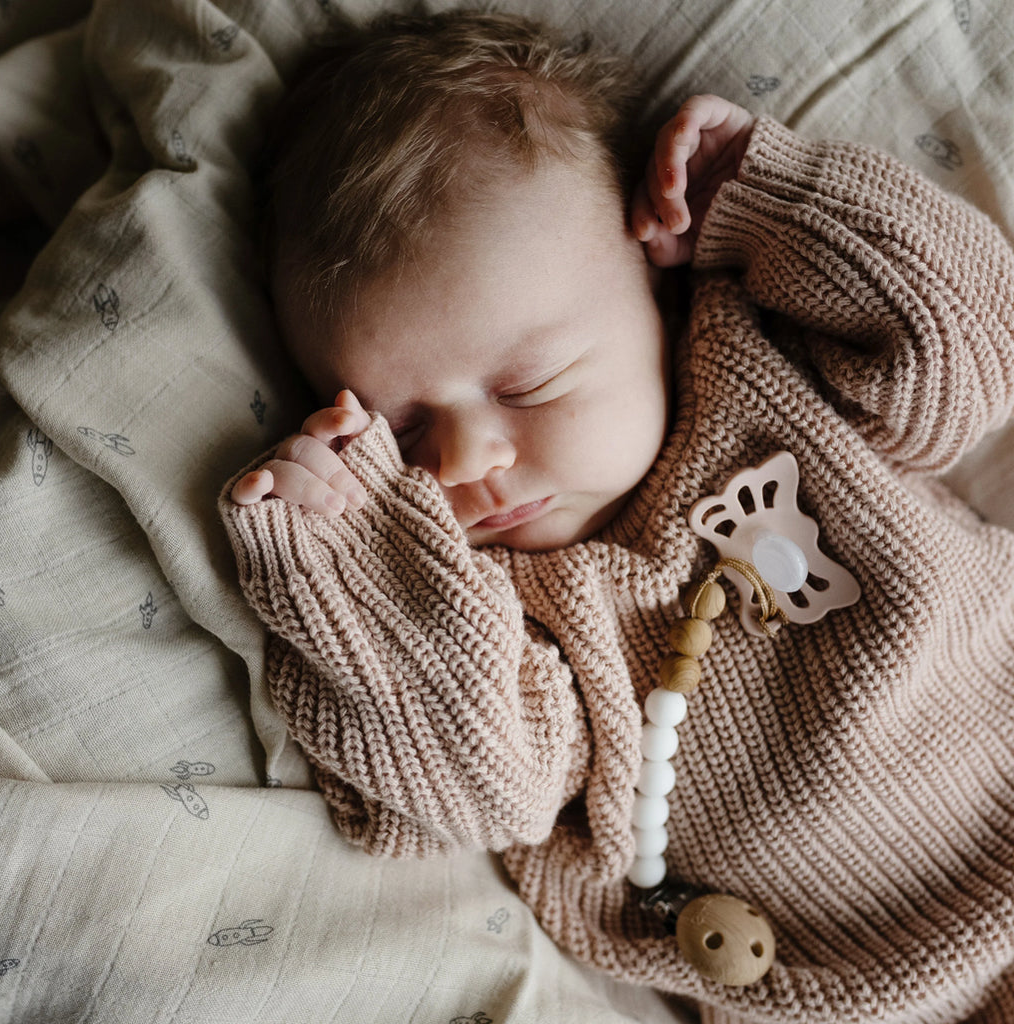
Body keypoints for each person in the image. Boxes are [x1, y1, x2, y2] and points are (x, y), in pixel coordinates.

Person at [219, 9, 1014, 1022]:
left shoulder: (768, 367)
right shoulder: (501, 614)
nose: (467, 461)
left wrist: (770, 203)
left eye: (529, 381)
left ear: (654, 284)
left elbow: (969, 352)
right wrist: (351, 565)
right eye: (404, 427)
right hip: (863, 988)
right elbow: (478, 789)